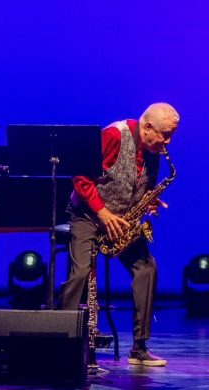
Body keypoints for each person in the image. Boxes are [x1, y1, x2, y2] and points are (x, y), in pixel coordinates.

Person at [60, 103, 179, 367]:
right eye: (165, 134)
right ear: (147, 127)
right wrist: (102, 213)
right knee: (80, 273)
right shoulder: (114, 135)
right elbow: (80, 176)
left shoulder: (154, 148)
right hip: (89, 215)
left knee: (147, 268)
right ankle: (63, 339)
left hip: (121, 221)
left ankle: (139, 348)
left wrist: (149, 202)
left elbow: (142, 185)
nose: (168, 142)